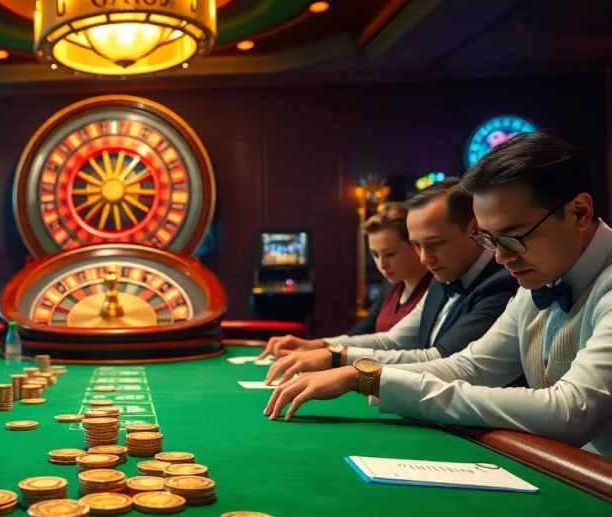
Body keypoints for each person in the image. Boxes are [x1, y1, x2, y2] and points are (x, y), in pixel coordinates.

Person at [263, 132, 612, 456]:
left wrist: (369, 376)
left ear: (579, 212)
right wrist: (362, 374)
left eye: (513, 237)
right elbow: (471, 366)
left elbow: (570, 411)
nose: (502, 258)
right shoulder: (537, 277)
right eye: (489, 240)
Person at [261, 178, 518, 383]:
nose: (425, 259)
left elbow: (443, 359)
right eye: (417, 245)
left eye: (435, 244)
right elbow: (392, 340)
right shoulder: (444, 274)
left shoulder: (503, 281)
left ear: (475, 230)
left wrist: (344, 364)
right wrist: (324, 348)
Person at [342, 202, 432, 336]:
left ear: (415, 245)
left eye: (390, 254)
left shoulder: (437, 288)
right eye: (375, 255)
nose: (381, 264)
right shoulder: (390, 285)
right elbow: (363, 330)